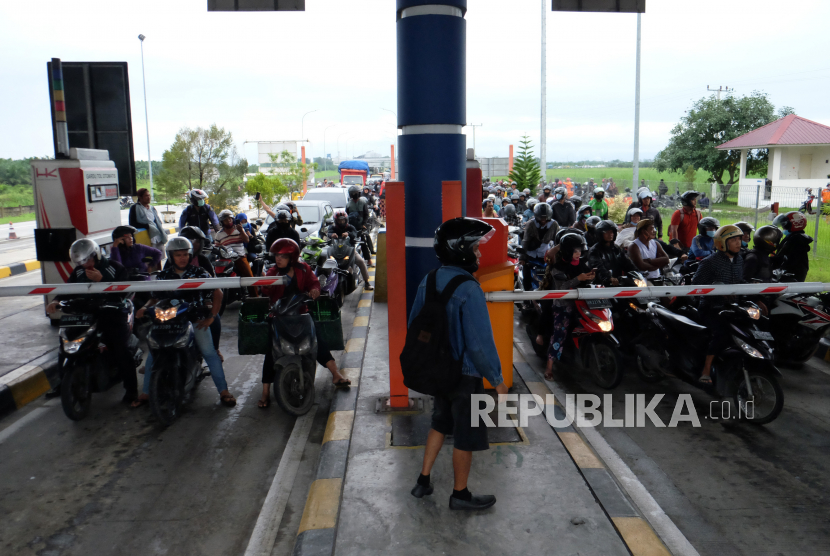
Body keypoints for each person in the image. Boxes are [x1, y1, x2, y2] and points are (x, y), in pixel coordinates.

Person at [409, 217, 506, 511]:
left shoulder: (430, 279)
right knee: (465, 434)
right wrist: (497, 381)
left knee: (440, 422)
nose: (479, 253)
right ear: (460, 249)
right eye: (475, 247)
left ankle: (423, 481)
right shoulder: (469, 288)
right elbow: (479, 344)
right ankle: (460, 494)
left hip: (439, 371)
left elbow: (415, 322)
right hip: (465, 376)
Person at [134, 237, 236, 407]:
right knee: (153, 353)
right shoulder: (164, 275)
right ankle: (145, 393)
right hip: (166, 321)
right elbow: (154, 298)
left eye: (185, 254)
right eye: (178, 255)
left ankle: (224, 391)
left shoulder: (199, 272)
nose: (182, 258)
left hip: (195, 319)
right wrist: (143, 307)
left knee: (209, 352)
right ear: (171, 256)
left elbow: (218, 292)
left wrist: (211, 317)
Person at [258, 238, 352, 409]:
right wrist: (268, 285)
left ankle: (336, 374)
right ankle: (265, 391)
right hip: (279, 317)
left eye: (283, 256)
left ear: (292, 257)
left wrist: (315, 289)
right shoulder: (272, 272)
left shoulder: (303, 269)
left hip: (301, 313)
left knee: (317, 338)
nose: (278, 259)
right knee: (271, 349)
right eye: (277, 256)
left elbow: (313, 282)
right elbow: (265, 289)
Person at [45, 239, 138, 405]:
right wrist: (56, 301)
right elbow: (68, 290)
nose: (84, 265)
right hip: (86, 314)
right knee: (66, 345)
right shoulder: (78, 273)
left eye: (87, 260)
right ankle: (62, 383)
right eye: (80, 262)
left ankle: (132, 392)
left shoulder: (115, 268)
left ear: (96, 255)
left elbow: (124, 293)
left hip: (112, 313)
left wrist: (102, 281)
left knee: (120, 349)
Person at [537, 233, 595, 379]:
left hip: (582, 303)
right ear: (567, 251)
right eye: (575, 251)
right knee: (559, 335)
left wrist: (591, 277)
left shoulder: (582, 263)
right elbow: (561, 287)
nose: (578, 254)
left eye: (579, 250)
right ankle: (549, 366)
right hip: (564, 305)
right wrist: (578, 278)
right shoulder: (558, 267)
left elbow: (586, 278)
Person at [692, 225, 745, 385]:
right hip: (711, 308)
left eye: (739, 239)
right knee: (721, 333)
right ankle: (706, 369)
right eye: (733, 240)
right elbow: (696, 284)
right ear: (722, 243)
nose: (738, 243)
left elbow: (740, 282)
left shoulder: (739, 259)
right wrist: (717, 290)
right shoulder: (710, 262)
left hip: (732, 307)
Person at [178, 226, 224, 361]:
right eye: (190, 240)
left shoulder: (202, 260)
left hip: (200, 300)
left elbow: (213, 284)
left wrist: (208, 300)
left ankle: (215, 349)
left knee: (214, 319)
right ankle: (157, 357)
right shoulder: (170, 261)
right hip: (177, 301)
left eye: (197, 241)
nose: (194, 244)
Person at [326, 209, 373, 290]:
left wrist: (348, 234)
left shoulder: (350, 227)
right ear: (336, 221)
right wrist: (331, 235)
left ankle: (367, 282)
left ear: (346, 219)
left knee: (361, 262)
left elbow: (354, 234)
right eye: (339, 220)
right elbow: (328, 233)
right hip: (335, 251)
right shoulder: (332, 227)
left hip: (349, 250)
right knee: (327, 263)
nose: (341, 222)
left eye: (343, 220)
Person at [214, 209, 258, 297]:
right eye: (226, 219)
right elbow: (217, 247)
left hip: (239, 257)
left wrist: (241, 231)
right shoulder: (219, 234)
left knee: (249, 277)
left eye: (230, 218)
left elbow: (246, 240)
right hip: (225, 258)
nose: (229, 221)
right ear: (222, 221)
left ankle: (255, 297)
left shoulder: (239, 229)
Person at [521, 203, 559, 293]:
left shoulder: (554, 224)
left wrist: (556, 256)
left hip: (545, 255)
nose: (543, 220)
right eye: (541, 218)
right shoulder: (530, 224)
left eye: (545, 218)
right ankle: (527, 299)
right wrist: (522, 257)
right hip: (530, 254)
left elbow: (557, 240)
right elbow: (525, 241)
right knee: (526, 277)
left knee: (551, 276)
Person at [588, 220, 637, 286]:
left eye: (612, 231)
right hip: (600, 286)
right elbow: (598, 267)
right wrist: (609, 278)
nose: (610, 234)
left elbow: (627, 263)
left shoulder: (616, 248)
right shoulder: (594, 250)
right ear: (600, 234)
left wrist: (636, 272)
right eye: (606, 232)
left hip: (617, 283)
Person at [772, 211, 812, 282]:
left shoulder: (796, 241)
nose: (783, 227)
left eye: (785, 225)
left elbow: (786, 259)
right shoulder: (793, 238)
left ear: (794, 224)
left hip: (791, 278)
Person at [129, 187, 169, 253]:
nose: (149, 197)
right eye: (146, 196)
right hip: (146, 238)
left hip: (158, 237)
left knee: (159, 258)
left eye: (149, 195)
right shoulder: (135, 208)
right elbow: (132, 223)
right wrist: (147, 226)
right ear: (140, 197)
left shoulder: (152, 208)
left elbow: (158, 222)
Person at [346, 185, 374, 263]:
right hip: (352, 227)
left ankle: (368, 260)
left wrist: (364, 224)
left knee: (363, 242)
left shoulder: (363, 203)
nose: (355, 194)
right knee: (349, 243)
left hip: (360, 226)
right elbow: (346, 216)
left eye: (356, 193)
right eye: (353, 193)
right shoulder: (348, 204)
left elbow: (366, 214)